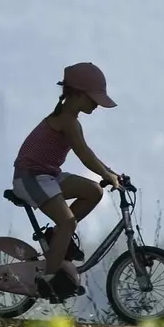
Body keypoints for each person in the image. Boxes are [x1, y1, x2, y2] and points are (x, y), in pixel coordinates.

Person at [11, 61, 124, 299]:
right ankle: (48, 281)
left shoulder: (70, 120)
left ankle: (55, 239)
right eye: (93, 98)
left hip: (48, 176)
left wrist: (112, 174)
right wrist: (108, 175)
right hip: (30, 178)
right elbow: (84, 156)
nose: (96, 104)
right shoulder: (67, 121)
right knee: (68, 222)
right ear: (78, 94)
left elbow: (88, 153)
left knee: (94, 191)